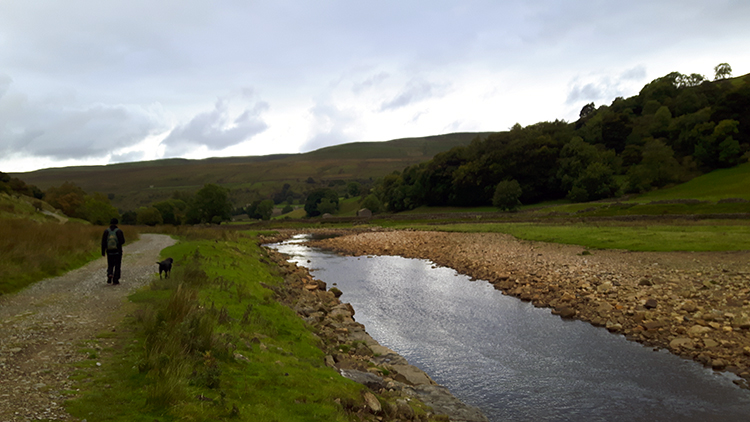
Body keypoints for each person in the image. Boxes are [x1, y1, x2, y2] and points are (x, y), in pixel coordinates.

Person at [101, 218, 126, 285]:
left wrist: (103, 251)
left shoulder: (106, 231)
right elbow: (122, 241)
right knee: (117, 265)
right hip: (118, 251)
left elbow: (103, 242)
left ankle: (110, 274)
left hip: (109, 251)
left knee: (110, 264)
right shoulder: (119, 231)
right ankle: (116, 279)